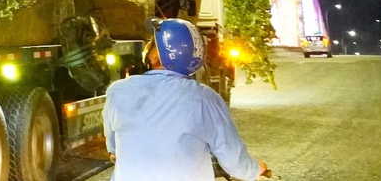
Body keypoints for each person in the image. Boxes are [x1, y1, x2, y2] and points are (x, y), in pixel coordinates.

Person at [103, 18, 270, 181]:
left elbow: (114, 149)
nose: (147, 47)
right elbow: (234, 161)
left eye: (152, 43)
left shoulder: (117, 91)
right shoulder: (204, 98)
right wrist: (255, 170)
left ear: (154, 57)